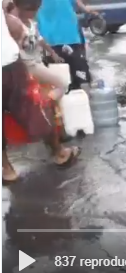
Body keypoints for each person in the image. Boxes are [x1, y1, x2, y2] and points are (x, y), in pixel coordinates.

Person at [2, 8, 81, 185]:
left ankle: (6, 170)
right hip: (6, 64)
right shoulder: (15, 21)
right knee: (33, 107)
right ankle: (59, 153)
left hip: (10, 62)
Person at [11, 0, 68, 101]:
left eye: (37, 10)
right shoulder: (15, 26)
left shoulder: (33, 24)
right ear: (21, 9)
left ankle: (44, 103)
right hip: (28, 66)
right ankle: (45, 103)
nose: (35, 13)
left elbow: (40, 40)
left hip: (38, 62)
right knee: (62, 84)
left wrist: (53, 53)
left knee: (46, 87)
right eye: (33, 10)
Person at [36, 0, 96, 91]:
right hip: (60, 38)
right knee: (78, 75)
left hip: (58, 38)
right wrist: (86, 9)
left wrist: (87, 10)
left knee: (59, 78)